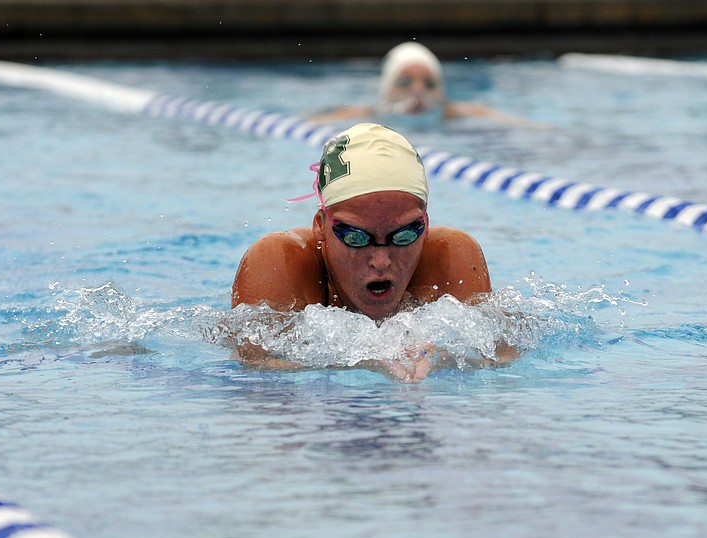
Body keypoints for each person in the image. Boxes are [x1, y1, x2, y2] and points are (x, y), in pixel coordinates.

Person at [230, 123, 518, 382]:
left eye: (404, 235)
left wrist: (442, 356)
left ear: (425, 225)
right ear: (320, 226)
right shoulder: (280, 261)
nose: (381, 261)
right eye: (355, 237)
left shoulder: (449, 256)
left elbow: (501, 355)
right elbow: (257, 364)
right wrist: (367, 362)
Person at [308, 41, 543, 127]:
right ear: (386, 89)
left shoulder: (461, 113)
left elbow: (529, 129)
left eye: (429, 83)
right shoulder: (365, 116)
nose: (418, 90)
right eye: (405, 81)